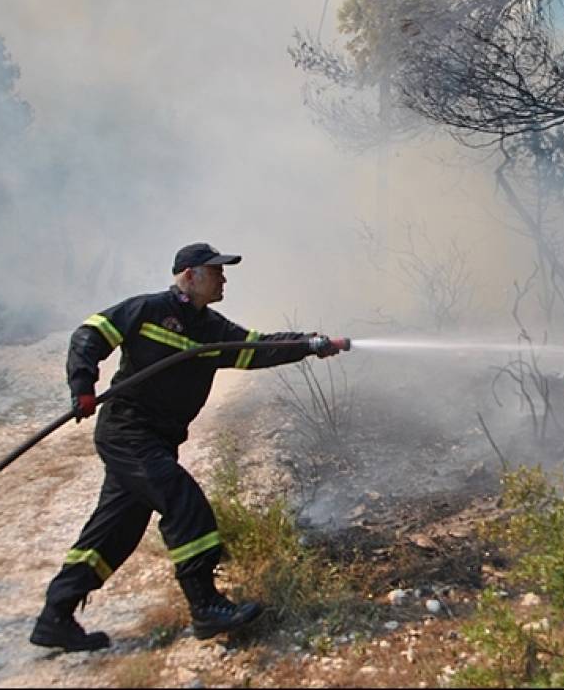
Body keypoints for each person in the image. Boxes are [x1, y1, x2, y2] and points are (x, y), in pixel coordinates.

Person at [29, 242, 341, 652]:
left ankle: (56, 617)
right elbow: (89, 334)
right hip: (127, 432)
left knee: (115, 532)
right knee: (184, 504)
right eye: (216, 271)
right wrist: (83, 385)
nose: (224, 278)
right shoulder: (148, 309)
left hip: (158, 440)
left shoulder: (213, 330)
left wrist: (311, 345)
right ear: (190, 275)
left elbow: (259, 348)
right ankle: (205, 607)